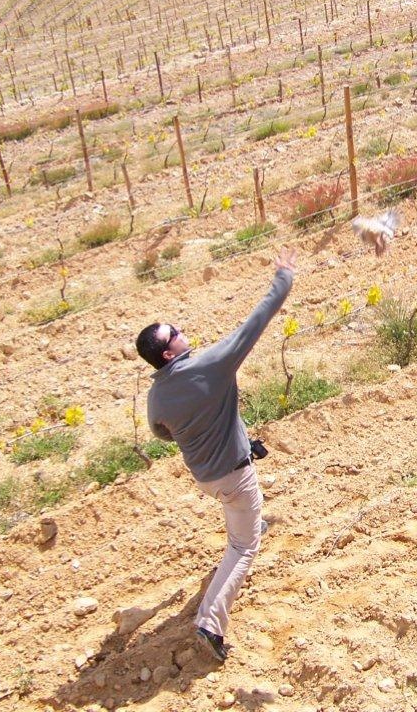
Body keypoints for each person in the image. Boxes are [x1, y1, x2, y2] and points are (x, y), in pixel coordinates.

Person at [134, 249, 297, 661]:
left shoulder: (157, 396)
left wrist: (227, 437)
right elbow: (255, 324)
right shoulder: (209, 365)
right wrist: (283, 277)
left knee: (239, 516)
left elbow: (162, 433)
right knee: (244, 547)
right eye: (175, 333)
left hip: (207, 477)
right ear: (168, 353)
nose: (181, 332)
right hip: (233, 477)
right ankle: (210, 623)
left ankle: (247, 525)